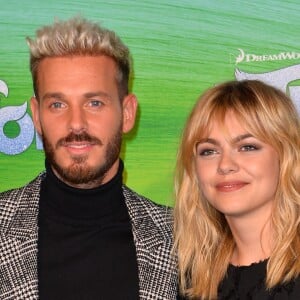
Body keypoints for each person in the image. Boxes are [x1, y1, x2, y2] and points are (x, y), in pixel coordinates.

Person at [0, 17, 177, 299]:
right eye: (57, 104)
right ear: (36, 116)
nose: (76, 124)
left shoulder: (180, 240)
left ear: (127, 113)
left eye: (94, 103)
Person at [174, 80, 300, 299]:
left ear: (286, 156)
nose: (225, 165)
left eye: (247, 147)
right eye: (209, 151)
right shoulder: (194, 280)